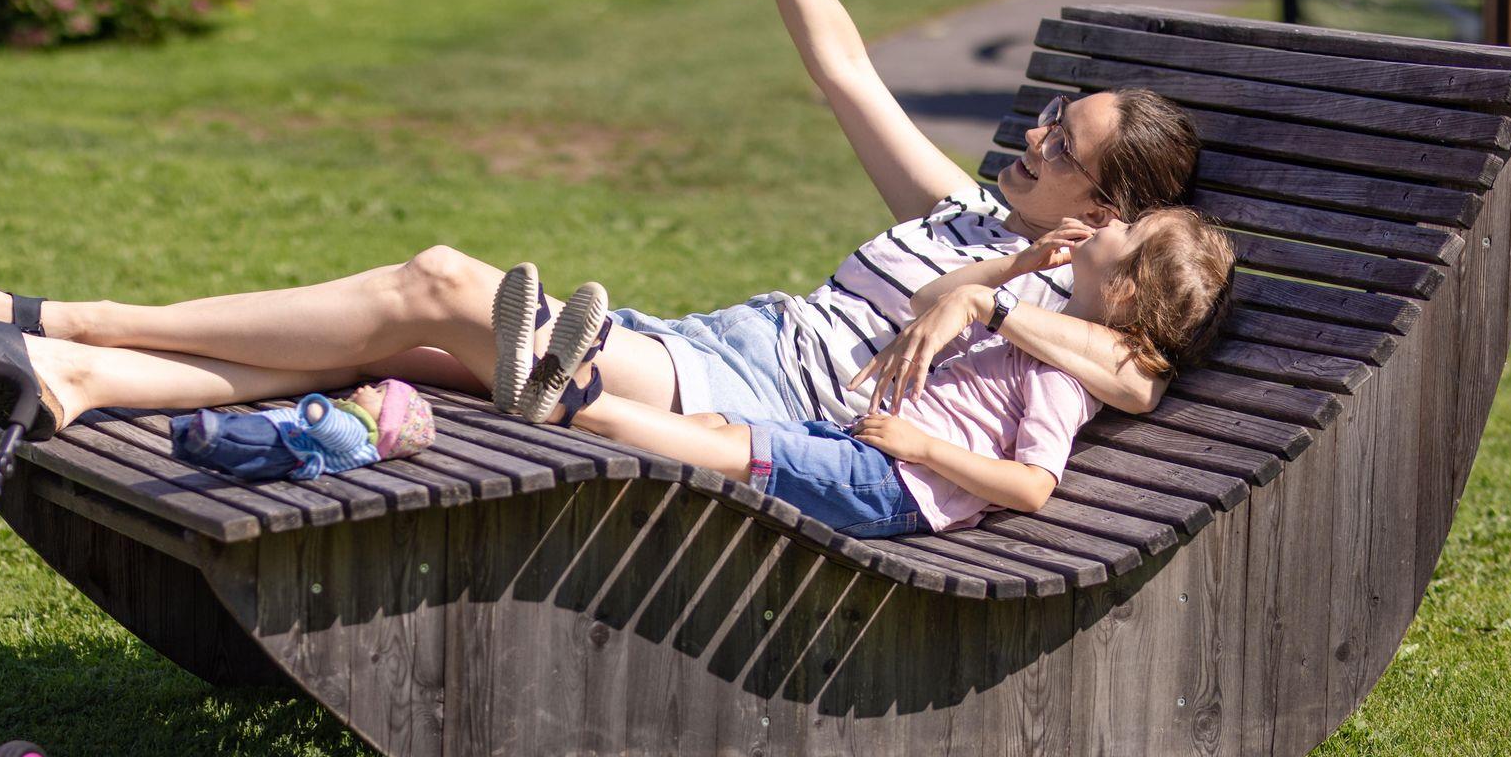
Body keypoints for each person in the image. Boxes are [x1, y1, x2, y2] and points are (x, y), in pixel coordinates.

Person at [0, 0, 1203, 442]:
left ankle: (68, 320)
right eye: (1048, 118)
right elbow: (844, 69)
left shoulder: (1077, 299)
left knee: (437, 279)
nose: (1033, 135)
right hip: (711, 342)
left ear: (1106, 206)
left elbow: (1137, 379)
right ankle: (77, 380)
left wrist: (991, 302)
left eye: (1061, 145)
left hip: (749, 407)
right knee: (404, 339)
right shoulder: (962, 212)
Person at [487, 207, 1236, 540]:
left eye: (1126, 229)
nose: (1108, 222)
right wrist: (1015, 267)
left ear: (1124, 290)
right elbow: (930, 302)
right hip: (870, 452)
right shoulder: (1047, 328)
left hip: (896, 478)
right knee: (716, 429)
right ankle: (556, 387)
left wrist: (924, 447)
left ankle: (569, 399)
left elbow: (1035, 486)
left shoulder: (1063, 376)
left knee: (729, 448)